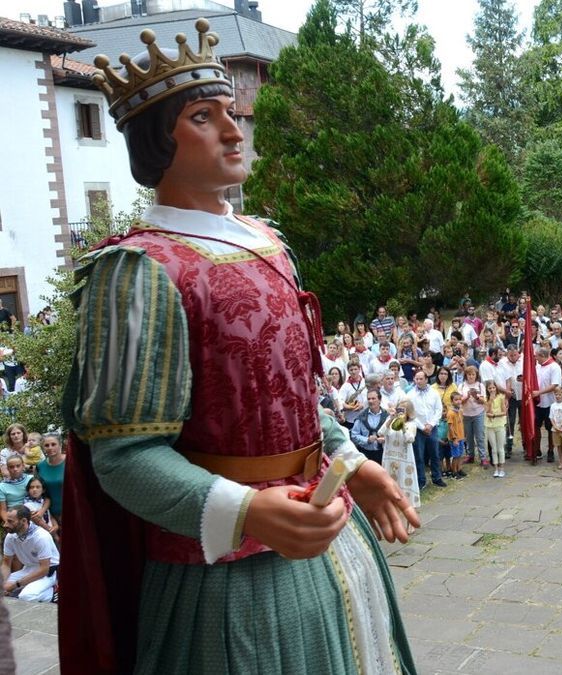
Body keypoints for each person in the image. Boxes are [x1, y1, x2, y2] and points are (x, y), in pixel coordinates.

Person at [62, 20, 420, 674]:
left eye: (232, 113)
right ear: (155, 141)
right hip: (227, 585)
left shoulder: (269, 242)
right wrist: (246, 507)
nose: (234, 130)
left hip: (328, 545)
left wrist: (346, 458)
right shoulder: (140, 269)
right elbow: (123, 453)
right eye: (204, 117)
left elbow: (296, 397)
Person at [1, 506, 58, 602]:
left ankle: (53, 591)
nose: (5, 525)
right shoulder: (10, 536)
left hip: (49, 572)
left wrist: (15, 585)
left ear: (23, 521)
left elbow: (44, 569)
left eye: (10, 521)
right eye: (6, 521)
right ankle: (30, 587)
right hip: (28, 569)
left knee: (26, 596)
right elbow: (6, 564)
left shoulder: (41, 537)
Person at [350, 389, 389, 465]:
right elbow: (354, 435)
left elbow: (392, 435)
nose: (370, 401)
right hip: (365, 454)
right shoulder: (361, 416)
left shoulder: (387, 416)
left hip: (383, 454)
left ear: (380, 400)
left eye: (373, 398)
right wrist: (367, 440)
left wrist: (385, 439)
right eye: (369, 399)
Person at [484, 380, 508, 478]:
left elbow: (504, 412)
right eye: (490, 388)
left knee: (500, 448)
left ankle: (502, 468)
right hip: (490, 426)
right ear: (487, 389)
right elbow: (487, 412)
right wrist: (490, 400)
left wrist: (494, 415)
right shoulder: (486, 399)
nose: (492, 390)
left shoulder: (501, 397)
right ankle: (496, 468)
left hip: (500, 424)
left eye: (493, 388)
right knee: (493, 448)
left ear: (496, 388)